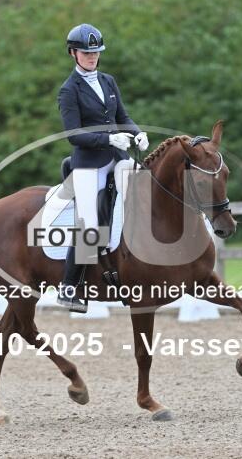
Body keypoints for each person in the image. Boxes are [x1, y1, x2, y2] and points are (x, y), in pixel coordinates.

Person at [56, 23, 148, 313]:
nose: (92, 57)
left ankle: (138, 268)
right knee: (89, 224)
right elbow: (74, 135)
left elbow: (122, 116)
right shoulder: (68, 90)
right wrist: (108, 138)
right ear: (73, 53)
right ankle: (69, 286)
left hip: (118, 157)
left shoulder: (108, 81)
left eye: (95, 52)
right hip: (89, 164)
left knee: (145, 195)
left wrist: (137, 133)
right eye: (86, 53)